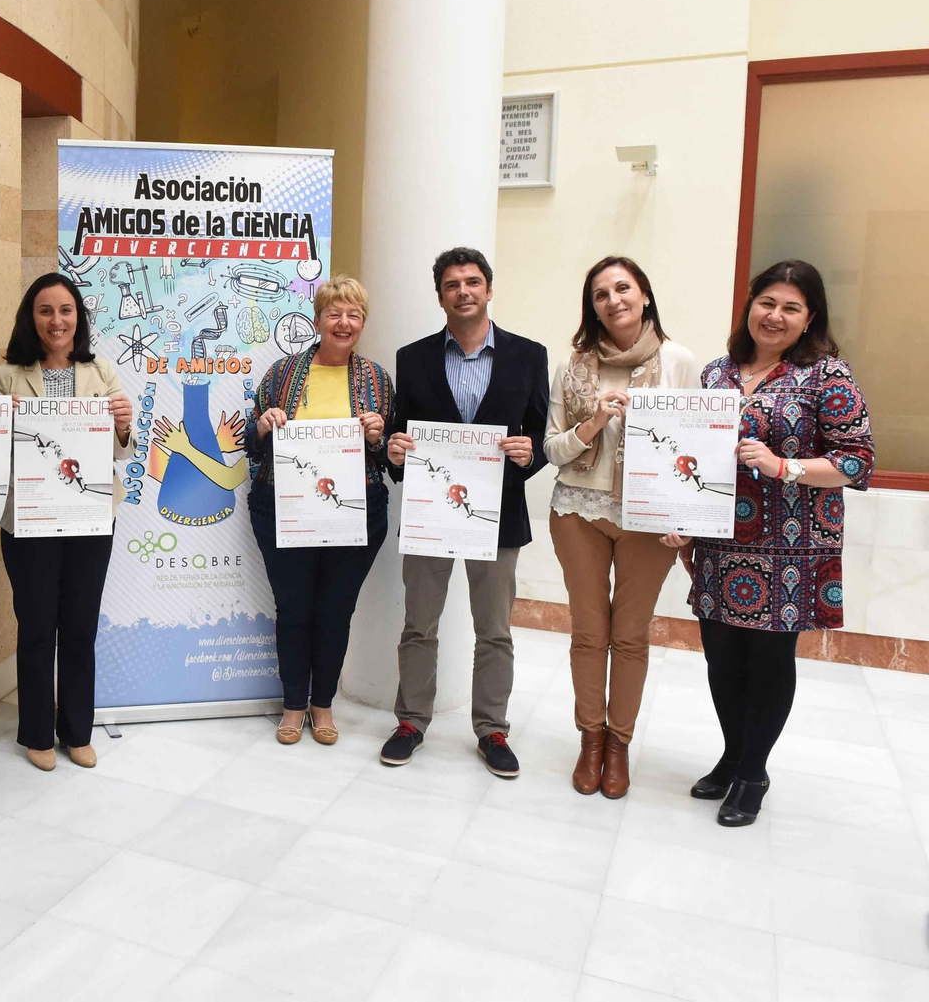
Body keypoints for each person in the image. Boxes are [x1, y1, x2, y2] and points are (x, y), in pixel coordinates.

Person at [685, 260, 872, 827]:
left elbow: (857, 461)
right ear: (750, 306)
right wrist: (679, 518)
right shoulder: (717, 373)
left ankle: (753, 773)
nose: (776, 315)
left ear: (810, 316)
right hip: (720, 543)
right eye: (767, 302)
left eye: (791, 307)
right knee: (721, 658)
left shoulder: (826, 376)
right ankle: (733, 752)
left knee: (767, 662)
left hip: (789, 548)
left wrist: (783, 464)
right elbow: (689, 452)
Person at [381, 247, 549, 778]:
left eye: (473, 282)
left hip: (498, 514)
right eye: (452, 284)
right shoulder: (413, 358)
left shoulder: (529, 355)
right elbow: (397, 431)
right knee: (418, 627)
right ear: (440, 296)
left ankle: (492, 730)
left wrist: (531, 453)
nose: (463, 291)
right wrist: (394, 450)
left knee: (495, 630)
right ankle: (411, 723)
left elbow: (541, 435)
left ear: (489, 289)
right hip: (433, 514)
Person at [544, 257, 695, 798]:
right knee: (589, 632)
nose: (613, 300)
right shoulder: (572, 367)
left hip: (648, 519)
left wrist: (688, 521)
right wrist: (596, 420)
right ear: (593, 306)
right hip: (578, 511)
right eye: (601, 294)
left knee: (630, 636)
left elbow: (695, 442)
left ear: (645, 296)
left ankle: (618, 745)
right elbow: (553, 449)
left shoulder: (678, 361)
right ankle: (589, 739)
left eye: (623, 288)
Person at [0, 273, 132, 771]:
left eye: (66, 310)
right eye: (46, 310)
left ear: (79, 318)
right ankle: (35, 732)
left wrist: (122, 423)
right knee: (36, 627)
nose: (57, 320)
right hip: (29, 519)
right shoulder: (8, 375)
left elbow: (123, 448)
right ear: (32, 317)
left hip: (90, 517)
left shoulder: (103, 372)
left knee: (79, 627)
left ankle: (77, 729)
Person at [244, 276, 394, 746]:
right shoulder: (282, 374)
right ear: (318, 320)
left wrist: (378, 437)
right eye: (334, 313)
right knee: (293, 609)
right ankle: (293, 706)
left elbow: (392, 456)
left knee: (335, 612)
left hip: (356, 513)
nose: (343, 322)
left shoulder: (376, 379)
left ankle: (322, 704)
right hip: (284, 509)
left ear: (363, 323)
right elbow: (249, 445)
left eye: (353, 314)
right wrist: (264, 426)